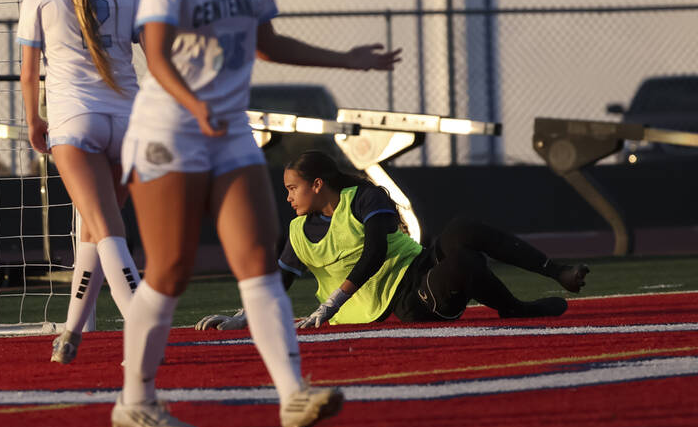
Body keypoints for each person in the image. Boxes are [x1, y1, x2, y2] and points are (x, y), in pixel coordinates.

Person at [112, 0, 402, 427]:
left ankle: (293, 395)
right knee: (169, 269)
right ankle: (135, 398)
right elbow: (157, 51)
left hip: (229, 135)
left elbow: (268, 44)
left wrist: (348, 60)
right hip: (170, 132)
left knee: (260, 268)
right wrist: (194, 104)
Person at [196, 149, 590, 332]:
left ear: (317, 185)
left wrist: (332, 302)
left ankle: (557, 273)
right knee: (464, 264)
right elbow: (275, 287)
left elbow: (377, 251)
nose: (288, 197)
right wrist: (241, 318)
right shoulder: (298, 233)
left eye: (292, 188)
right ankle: (514, 309)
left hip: (417, 270)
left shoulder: (366, 196)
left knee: (462, 229)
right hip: (407, 303)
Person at [17, 0, 143, 365]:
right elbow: (158, 51)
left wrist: (34, 121)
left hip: (75, 123)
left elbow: (29, 74)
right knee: (95, 229)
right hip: (129, 122)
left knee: (106, 229)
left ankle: (141, 329)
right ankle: (70, 331)